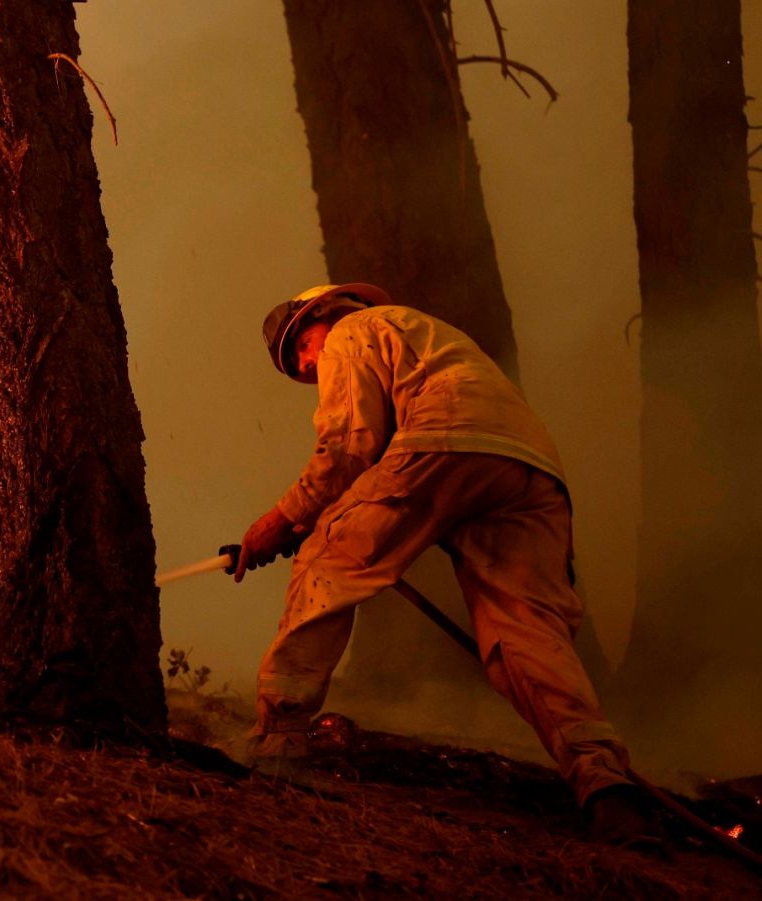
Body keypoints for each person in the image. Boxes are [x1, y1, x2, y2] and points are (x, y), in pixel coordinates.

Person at [235, 282, 658, 844]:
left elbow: (349, 446)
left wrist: (280, 522)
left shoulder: (354, 330)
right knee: (523, 632)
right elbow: (382, 455)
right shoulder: (431, 338)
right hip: (528, 470)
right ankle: (603, 780)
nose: (309, 364)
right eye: (298, 365)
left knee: (327, 560)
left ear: (327, 312)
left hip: (445, 438)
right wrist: (312, 514)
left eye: (302, 346)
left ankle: (279, 737)